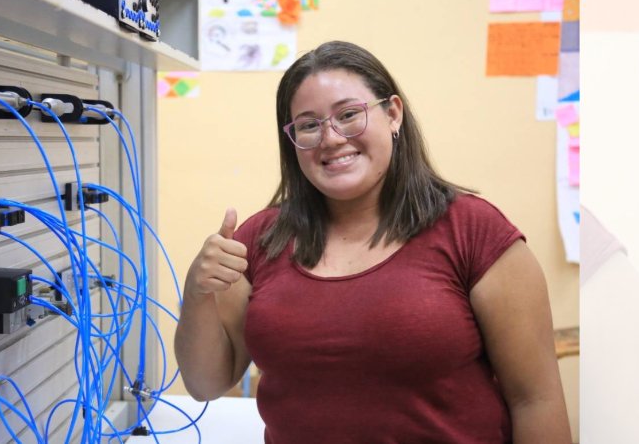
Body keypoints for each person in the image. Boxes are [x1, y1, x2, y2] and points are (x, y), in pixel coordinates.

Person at [174, 41, 570, 443]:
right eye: (309, 125)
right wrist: (198, 290)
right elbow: (206, 383)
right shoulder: (261, 240)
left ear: (393, 114)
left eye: (349, 115)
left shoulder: (474, 231)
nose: (330, 138)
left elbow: (536, 400)